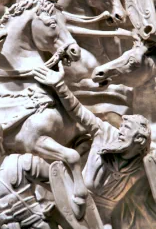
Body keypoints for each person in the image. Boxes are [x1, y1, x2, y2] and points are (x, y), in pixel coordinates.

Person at [33, 62, 152, 228]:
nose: (121, 131)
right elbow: (78, 112)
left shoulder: (143, 168)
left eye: (127, 129)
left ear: (139, 140)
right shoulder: (105, 132)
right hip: (76, 201)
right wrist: (59, 86)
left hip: (106, 220)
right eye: (122, 127)